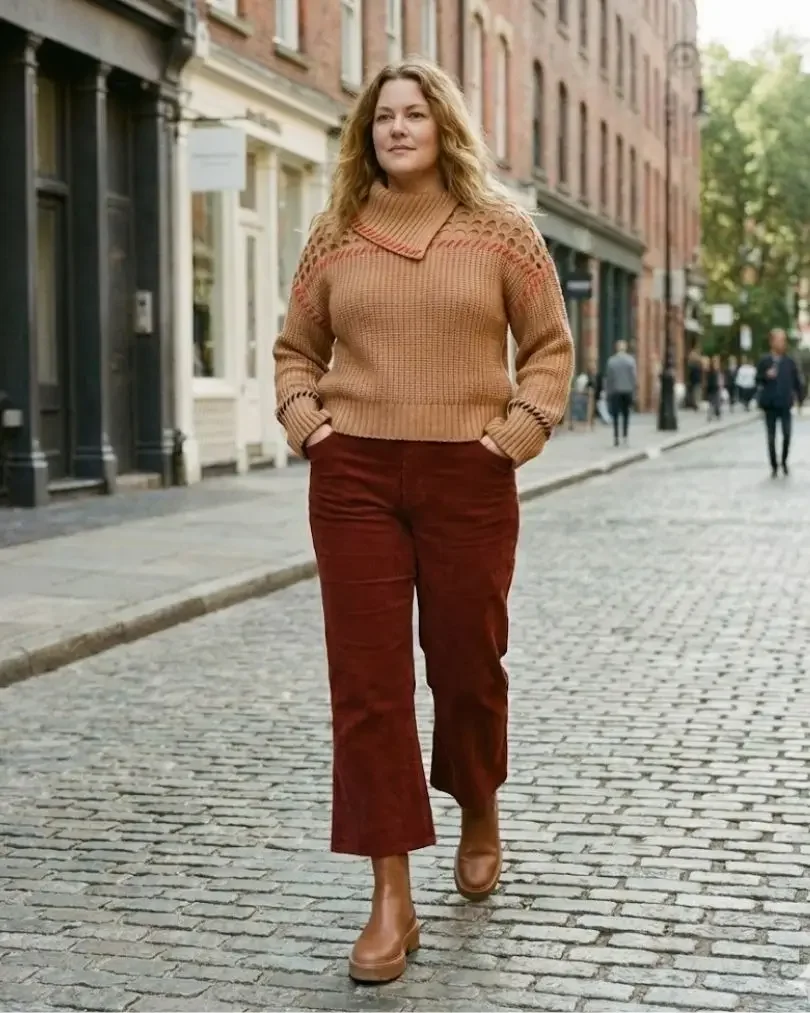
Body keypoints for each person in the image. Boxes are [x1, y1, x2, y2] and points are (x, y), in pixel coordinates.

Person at [273, 58, 574, 984]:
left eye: (415, 114)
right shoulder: (335, 235)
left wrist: (512, 438)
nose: (397, 128)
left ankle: (478, 799)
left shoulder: (502, 232)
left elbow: (550, 349)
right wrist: (307, 424)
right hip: (353, 471)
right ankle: (389, 891)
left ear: (444, 125)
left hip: (466, 475)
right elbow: (296, 350)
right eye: (382, 118)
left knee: (466, 661)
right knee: (367, 685)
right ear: (367, 133)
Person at [756, 328, 805, 477]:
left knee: (787, 434)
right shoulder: (764, 361)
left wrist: (800, 399)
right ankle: (774, 465)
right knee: (771, 438)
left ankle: (783, 461)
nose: (782, 343)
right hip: (770, 404)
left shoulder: (789, 362)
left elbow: (796, 382)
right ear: (772, 342)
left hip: (785, 404)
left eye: (783, 340)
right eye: (779, 340)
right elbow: (757, 379)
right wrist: (765, 376)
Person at [604, 340, 637, 446]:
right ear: (625, 348)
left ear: (617, 348)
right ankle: (625, 436)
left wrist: (608, 392)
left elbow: (609, 379)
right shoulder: (630, 361)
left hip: (615, 391)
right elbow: (633, 377)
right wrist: (634, 391)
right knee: (626, 415)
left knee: (616, 415)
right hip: (627, 391)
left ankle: (616, 437)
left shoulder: (611, 361)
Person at [705, 355, 723, 420]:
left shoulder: (714, 370)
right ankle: (712, 415)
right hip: (713, 388)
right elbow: (712, 381)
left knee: (714, 403)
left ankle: (715, 414)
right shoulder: (712, 371)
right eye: (716, 361)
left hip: (714, 388)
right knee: (714, 402)